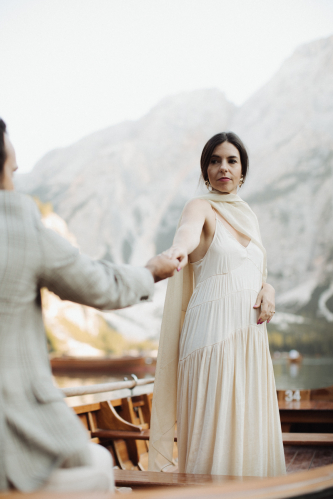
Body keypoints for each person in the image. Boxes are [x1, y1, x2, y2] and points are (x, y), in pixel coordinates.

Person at [0, 118, 179, 493]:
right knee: (99, 465)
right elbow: (102, 286)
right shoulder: (17, 226)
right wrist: (150, 272)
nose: (14, 182)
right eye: (12, 171)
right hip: (10, 434)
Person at [148, 132, 286, 477]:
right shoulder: (200, 206)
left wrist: (268, 288)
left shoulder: (248, 217)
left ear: (242, 172)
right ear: (205, 170)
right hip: (211, 334)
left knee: (249, 423)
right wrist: (176, 252)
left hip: (249, 339)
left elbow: (253, 271)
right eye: (214, 160)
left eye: (231, 160)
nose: (222, 167)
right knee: (215, 426)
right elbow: (188, 234)